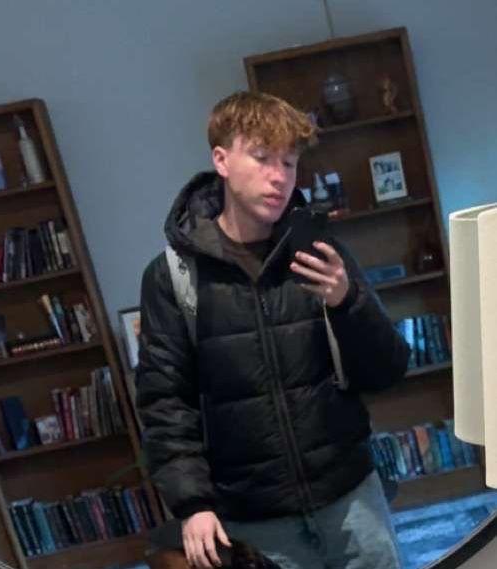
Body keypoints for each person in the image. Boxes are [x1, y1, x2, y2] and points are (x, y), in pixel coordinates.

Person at [136, 91, 410, 569]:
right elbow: (165, 402)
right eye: (262, 158)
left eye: (289, 162)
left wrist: (347, 303)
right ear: (221, 160)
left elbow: (387, 371)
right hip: (255, 518)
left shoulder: (321, 255)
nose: (279, 176)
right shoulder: (174, 276)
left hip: (349, 496)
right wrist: (192, 503)